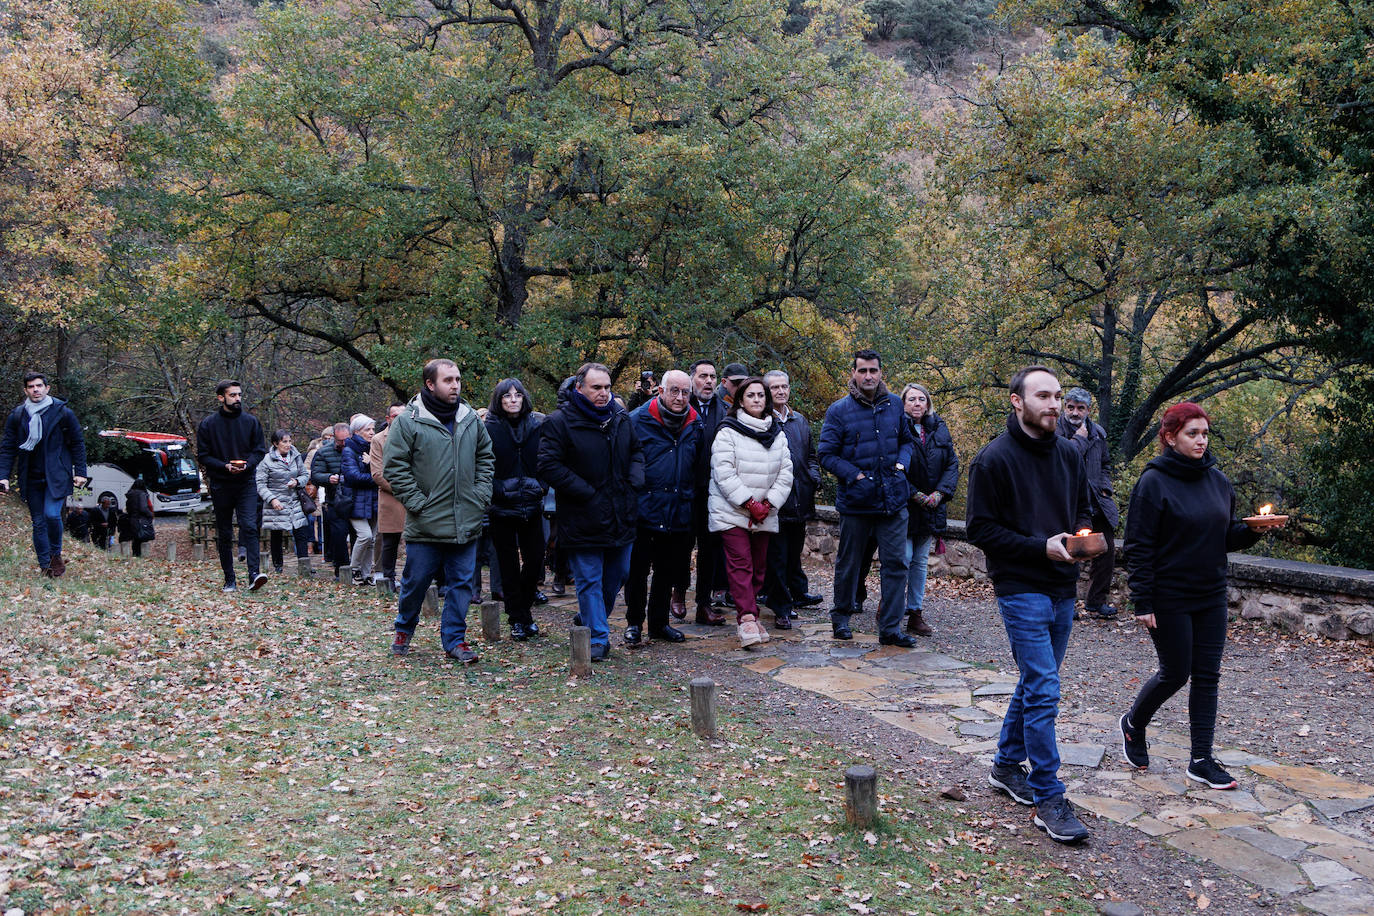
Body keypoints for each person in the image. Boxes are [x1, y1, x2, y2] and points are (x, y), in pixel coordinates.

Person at [1119, 402, 1281, 790]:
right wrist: (1142, 600)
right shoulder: (1153, 482)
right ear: (1170, 437)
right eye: (1193, 433)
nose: (1201, 441)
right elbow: (1138, 546)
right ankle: (1133, 723)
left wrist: (1255, 530)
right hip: (1168, 595)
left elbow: (1224, 537)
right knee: (1176, 672)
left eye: (1205, 433)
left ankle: (1201, 759)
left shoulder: (1218, 481)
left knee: (1207, 676)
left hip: (1210, 593)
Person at [966, 365, 1095, 844]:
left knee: (1036, 681)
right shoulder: (993, 460)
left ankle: (1005, 764)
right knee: (1044, 688)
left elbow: (1082, 509)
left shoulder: (1068, 453)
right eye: (1043, 396)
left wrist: (1082, 539)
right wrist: (1039, 546)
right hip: (1019, 585)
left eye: (1058, 396)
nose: (1054, 404)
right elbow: (979, 530)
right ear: (1017, 401)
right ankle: (1048, 794)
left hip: (1063, 584)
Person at [386, 358, 494, 664]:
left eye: (458, 379)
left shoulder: (470, 418)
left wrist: (480, 494)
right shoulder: (409, 421)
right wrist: (419, 503)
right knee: (415, 583)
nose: (456, 385)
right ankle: (404, 628)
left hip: (466, 521)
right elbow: (395, 467)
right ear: (430, 384)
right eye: (448, 380)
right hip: (426, 524)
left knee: (461, 585)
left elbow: (486, 457)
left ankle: (455, 641)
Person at [537, 362, 644, 662]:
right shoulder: (559, 422)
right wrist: (585, 492)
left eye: (607, 387)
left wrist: (634, 481)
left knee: (618, 574)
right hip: (582, 515)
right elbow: (548, 465)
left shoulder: (620, 418)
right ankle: (598, 637)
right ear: (579, 388)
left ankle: (589, 618)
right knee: (589, 580)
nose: (603, 393)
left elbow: (636, 451)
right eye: (596, 387)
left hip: (620, 513)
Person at [817, 350, 915, 646]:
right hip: (857, 502)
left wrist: (901, 466)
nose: (869, 376)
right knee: (850, 563)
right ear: (854, 374)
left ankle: (891, 629)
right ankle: (841, 618)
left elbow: (907, 442)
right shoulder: (839, 410)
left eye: (873, 370)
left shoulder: (896, 405)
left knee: (896, 564)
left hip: (893, 500)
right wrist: (855, 476)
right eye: (863, 371)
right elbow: (826, 454)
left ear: (881, 372)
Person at [710, 377, 793, 648]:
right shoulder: (728, 431)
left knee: (759, 568)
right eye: (751, 395)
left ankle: (752, 614)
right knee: (740, 564)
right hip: (733, 511)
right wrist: (749, 503)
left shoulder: (777, 433)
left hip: (765, 511)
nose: (757, 400)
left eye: (761, 395)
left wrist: (768, 504)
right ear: (741, 400)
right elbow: (724, 471)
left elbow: (785, 472)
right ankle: (746, 618)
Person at [624, 369, 702, 646]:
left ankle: (659, 624)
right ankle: (634, 623)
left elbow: (698, 467)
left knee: (667, 572)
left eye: (685, 392)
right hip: (643, 510)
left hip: (678, 510)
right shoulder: (635, 421)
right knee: (637, 572)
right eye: (674, 391)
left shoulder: (695, 423)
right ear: (660, 391)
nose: (680, 397)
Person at [0, 373, 88, 577]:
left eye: (39, 386)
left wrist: (80, 472)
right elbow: (7, 448)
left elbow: (77, 442)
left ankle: (55, 554)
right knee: (38, 522)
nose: (36, 390)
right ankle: (45, 565)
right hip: (30, 476)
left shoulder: (63, 413)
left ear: (47, 388)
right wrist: (3, 476)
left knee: (51, 515)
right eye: (31, 387)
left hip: (57, 475)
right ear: (26, 391)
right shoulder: (18, 415)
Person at [485, 379, 547, 641]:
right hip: (501, 506)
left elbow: (547, 458)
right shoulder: (488, 427)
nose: (512, 399)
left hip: (532, 504)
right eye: (507, 396)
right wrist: (496, 489)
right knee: (508, 565)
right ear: (499, 400)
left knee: (535, 560)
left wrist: (541, 484)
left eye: (517, 395)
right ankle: (517, 618)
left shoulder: (537, 425)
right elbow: (482, 465)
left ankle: (523, 611)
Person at [761, 370, 822, 628]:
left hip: (801, 497)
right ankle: (781, 608)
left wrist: (813, 477)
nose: (781, 391)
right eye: (775, 387)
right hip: (776, 499)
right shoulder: (763, 421)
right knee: (776, 556)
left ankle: (796, 594)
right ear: (766, 391)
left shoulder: (799, 421)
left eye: (784, 386)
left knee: (794, 553)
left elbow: (810, 455)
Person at [195, 380, 267, 592]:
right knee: (225, 532)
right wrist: (224, 466)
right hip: (221, 484)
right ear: (221, 397)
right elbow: (203, 456)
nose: (238, 399)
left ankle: (254, 574)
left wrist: (248, 465)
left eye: (239, 395)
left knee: (250, 526)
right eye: (233, 395)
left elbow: (259, 450)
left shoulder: (251, 422)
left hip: (246, 482)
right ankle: (230, 579)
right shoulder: (208, 425)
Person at [900, 383, 959, 637]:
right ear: (903, 403)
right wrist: (913, 493)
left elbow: (952, 464)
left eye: (921, 399)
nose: (917, 403)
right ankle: (890, 606)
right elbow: (893, 465)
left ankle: (915, 613)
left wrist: (940, 493)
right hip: (904, 505)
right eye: (911, 399)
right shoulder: (896, 428)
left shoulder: (938, 429)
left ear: (928, 403)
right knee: (901, 559)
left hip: (930, 508)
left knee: (920, 563)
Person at [1058, 388, 1121, 619]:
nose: (1075, 412)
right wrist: (1080, 439)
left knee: (1106, 550)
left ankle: (1096, 602)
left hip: (1096, 500)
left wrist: (1105, 488)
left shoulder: (1098, 433)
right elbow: (1064, 458)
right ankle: (1066, 603)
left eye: (1080, 408)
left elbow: (1105, 464)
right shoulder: (1055, 430)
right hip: (1068, 501)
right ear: (1065, 407)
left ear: (1088, 410)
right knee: (1068, 551)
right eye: (1071, 407)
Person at [256, 429, 312, 574]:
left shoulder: (296, 456)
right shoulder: (266, 461)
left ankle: (304, 564)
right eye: (284, 441)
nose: (288, 444)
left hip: (294, 500)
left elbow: (305, 474)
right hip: (276, 502)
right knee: (276, 534)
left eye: (289, 441)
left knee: (301, 532)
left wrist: (297, 481)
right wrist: (272, 499)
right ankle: (278, 565)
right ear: (275, 443)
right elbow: (260, 484)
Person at [370, 404, 407, 589]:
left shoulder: (414, 434)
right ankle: (389, 578)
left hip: (415, 496)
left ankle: (414, 579)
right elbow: (377, 473)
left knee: (418, 542)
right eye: (395, 415)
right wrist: (403, 489)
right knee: (390, 541)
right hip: (391, 496)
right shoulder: (378, 440)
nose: (400, 418)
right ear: (388, 419)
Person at [340, 414, 379, 585]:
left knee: (372, 540)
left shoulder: (374, 448)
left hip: (373, 500)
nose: (372, 432)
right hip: (354, 500)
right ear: (356, 431)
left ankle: (365, 574)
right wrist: (375, 476)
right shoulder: (349, 450)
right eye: (367, 429)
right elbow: (352, 476)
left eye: (373, 429)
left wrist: (373, 464)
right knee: (365, 536)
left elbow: (386, 469)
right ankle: (353, 569)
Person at [311, 422, 350, 571]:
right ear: (334, 437)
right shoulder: (323, 452)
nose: (344, 443)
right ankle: (341, 569)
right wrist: (328, 478)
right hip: (335, 500)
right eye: (340, 441)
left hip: (354, 498)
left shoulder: (354, 449)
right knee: (339, 535)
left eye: (347, 439)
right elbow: (315, 476)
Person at [124, 479, 156, 557]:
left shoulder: (130, 494)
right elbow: (143, 508)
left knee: (136, 540)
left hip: (132, 519)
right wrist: (150, 514)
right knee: (143, 538)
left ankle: (135, 555)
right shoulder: (142, 494)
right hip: (141, 519)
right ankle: (142, 556)